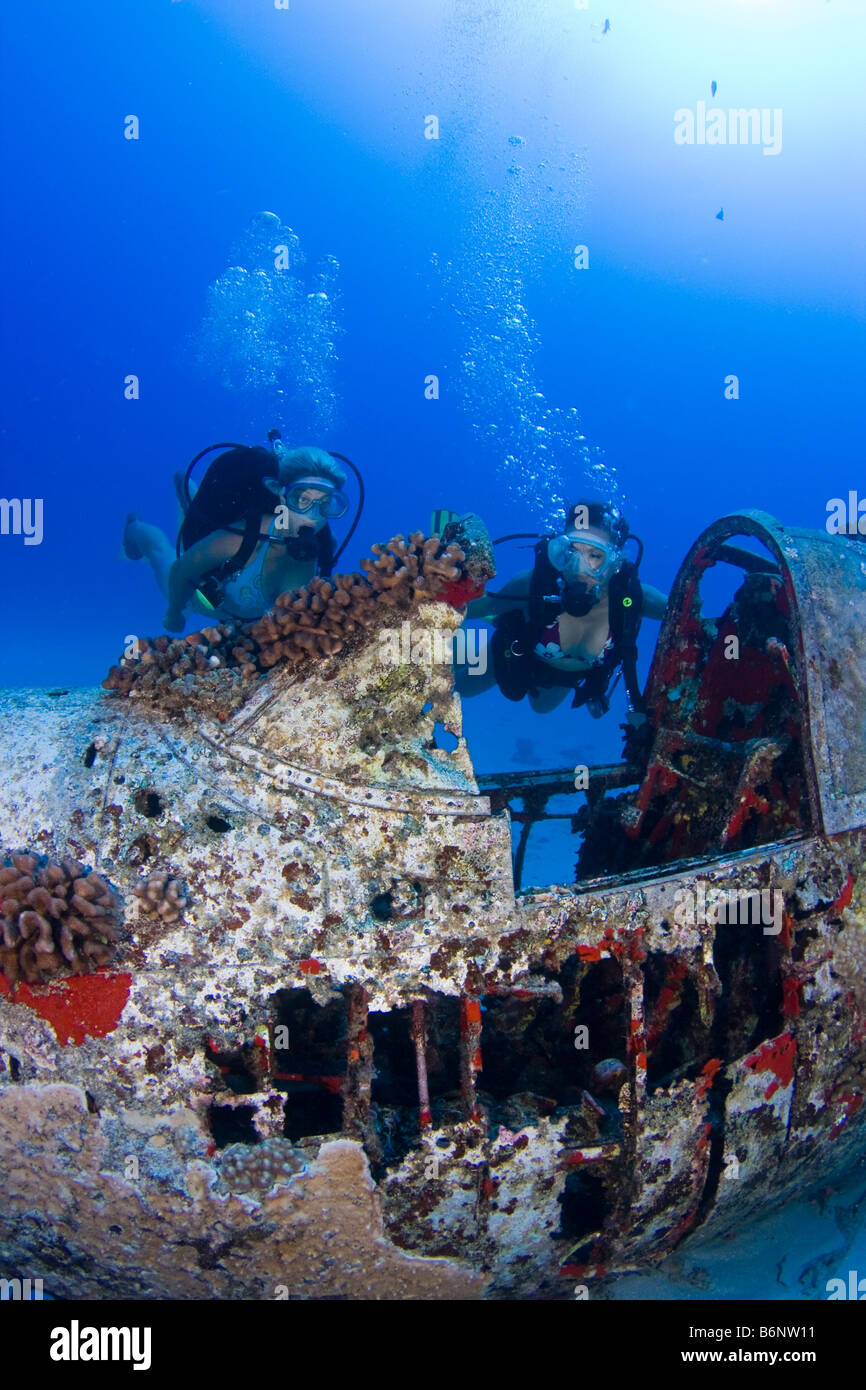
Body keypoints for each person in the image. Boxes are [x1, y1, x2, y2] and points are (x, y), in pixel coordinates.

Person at [456, 499, 668, 735]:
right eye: (571, 552)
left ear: (615, 561)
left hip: (564, 677)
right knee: (464, 687)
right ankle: (462, 645)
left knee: (541, 707)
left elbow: (688, 618)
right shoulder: (531, 584)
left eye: (595, 556)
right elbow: (480, 607)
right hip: (515, 651)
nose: (578, 569)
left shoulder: (636, 598)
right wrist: (433, 588)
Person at [123, 441, 354, 631]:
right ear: (280, 495)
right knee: (160, 552)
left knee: (192, 517)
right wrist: (174, 613)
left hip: (247, 620)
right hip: (203, 602)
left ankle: (188, 495)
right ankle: (135, 527)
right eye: (301, 500)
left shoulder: (324, 545)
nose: (313, 517)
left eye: (325, 504)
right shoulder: (243, 537)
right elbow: (182, 570)